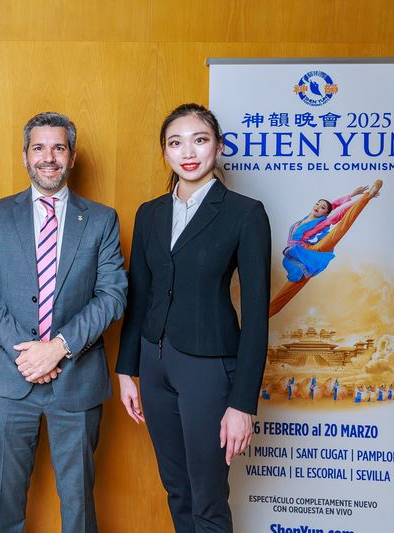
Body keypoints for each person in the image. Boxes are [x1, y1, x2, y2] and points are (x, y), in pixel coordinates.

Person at [0, 112, 127, 532]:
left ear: (72, 156)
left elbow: (112, 295)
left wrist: (58, 348)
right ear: (25, 156)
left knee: (78, 505)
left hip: (76, 379)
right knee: (6, 505)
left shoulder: (101, 219)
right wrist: (27, 353)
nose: (48, 157)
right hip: (11, 379)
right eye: (38, 148)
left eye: (58, 147)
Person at [116, 103, 271, 532]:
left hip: (208, 368)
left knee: (207, 499)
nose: (188, 152)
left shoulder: (244, 213)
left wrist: (242, 403)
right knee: (178, 491)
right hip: (154, 363)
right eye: (175, 142)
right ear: (164, 151)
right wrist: (127, 370)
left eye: (199, 140)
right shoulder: (149, 213)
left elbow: (257, 317)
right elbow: (140, 295)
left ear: (218, 147)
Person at [269, 179, 382, 317]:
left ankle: (368, 196)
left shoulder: (322, 221)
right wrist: (351, 195)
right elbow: (332, 205)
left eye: (322, 207)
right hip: (295, 257)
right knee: (286, 292)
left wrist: (364, 197)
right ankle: (263, 316)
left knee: (341, 228)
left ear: (325, 213)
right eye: (317, 204)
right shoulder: (304, 219)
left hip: (310, 251)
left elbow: (338, 212)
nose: (318, 207)